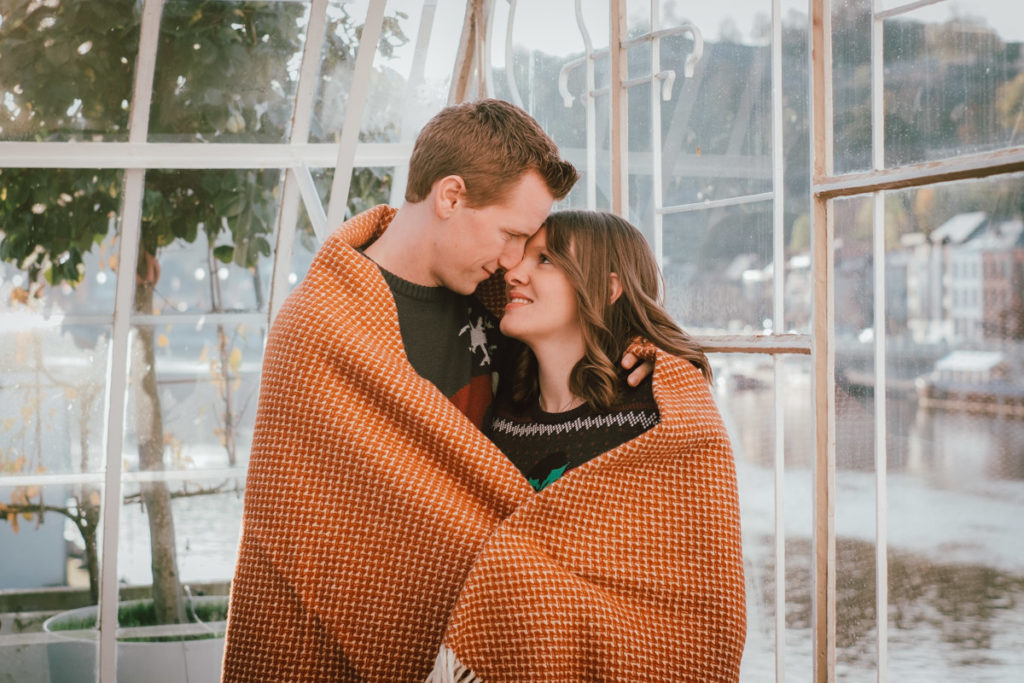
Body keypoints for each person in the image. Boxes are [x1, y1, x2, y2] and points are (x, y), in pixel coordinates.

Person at [222, 100, 649, 681]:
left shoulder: (502, 306)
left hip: (483, 631)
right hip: (343, 636)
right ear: (450, 197)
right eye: (511, 234)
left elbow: (590, 337)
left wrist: (651, 359)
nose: (512, 261)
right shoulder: (320, 326)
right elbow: (301, 530)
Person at [427, 210, 746, 682]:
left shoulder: (659, 412)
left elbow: (696, 600)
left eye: (546, 260)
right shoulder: (503, 405)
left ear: (608, 287)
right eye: (519, 257)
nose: (515, 272)